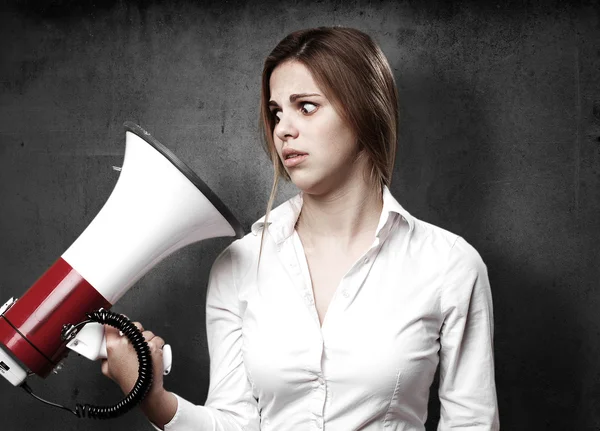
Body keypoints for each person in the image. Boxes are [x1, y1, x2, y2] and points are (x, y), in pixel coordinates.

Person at [102, 26, 499, 430]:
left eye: (306, 107)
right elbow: (234, 422)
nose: (282, 130)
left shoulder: (450, 266)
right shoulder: (240, 263)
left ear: (364, 111)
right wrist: (154, 399)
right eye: (276, 113)